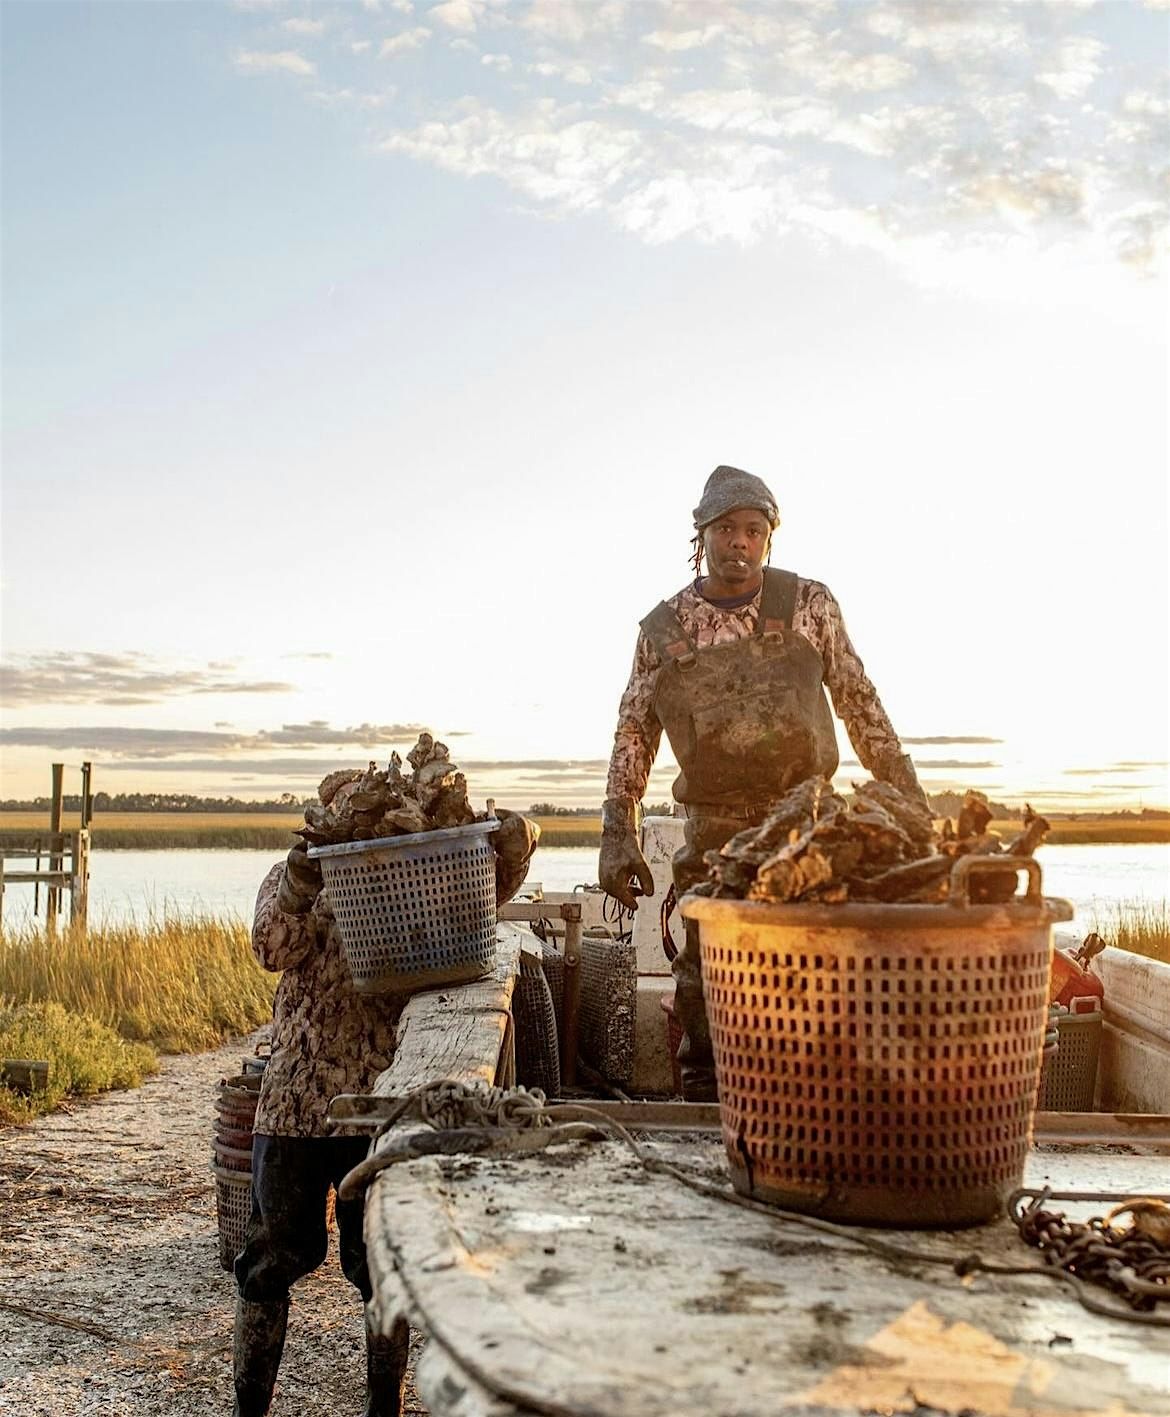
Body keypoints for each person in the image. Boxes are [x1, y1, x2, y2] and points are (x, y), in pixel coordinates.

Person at [599, 465, 926, 1102]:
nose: (740, 543)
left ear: (769, 536)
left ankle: (819, 1112)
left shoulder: (809, 605)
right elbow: (634, 733)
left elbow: (859, 701)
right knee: (703, 978)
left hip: (810, 833)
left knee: (820, 975)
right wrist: (619, 829)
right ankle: (703, 1104)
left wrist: (906, 793)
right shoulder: (664, 631)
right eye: (726, 529)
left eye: (754, 529)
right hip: (713, 836)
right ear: (702, 534)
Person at [232, 810, 538, 1417]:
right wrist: (300, 878)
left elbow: (484, 898)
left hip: (379, 1106)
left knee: (379, 1264)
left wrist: (517, 846)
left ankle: (384, 1410)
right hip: (293, 1103)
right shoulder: (294, 880)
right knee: (270, 1260)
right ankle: (248, 1409)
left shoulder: (419, 878)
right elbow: (269, 947)